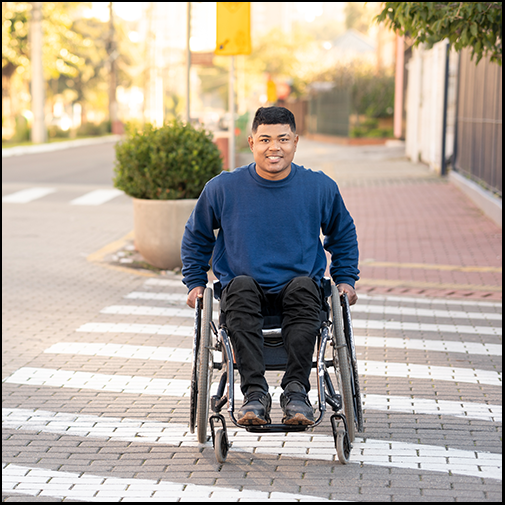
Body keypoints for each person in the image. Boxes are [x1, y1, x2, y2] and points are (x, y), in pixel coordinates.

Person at [181, 106, 359, 426]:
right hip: (244, 290)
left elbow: (342, 233)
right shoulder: (223, 188)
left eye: (283, 139)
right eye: (265, 139)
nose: (274, 147)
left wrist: (345, 279)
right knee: (240, 287)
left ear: (295, 142)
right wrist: (195, 282)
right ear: (251, 143)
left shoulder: (319, 187)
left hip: (299, 289)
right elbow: (196, 236)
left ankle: (296, 392)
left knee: (306, 287)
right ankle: (254, 394)